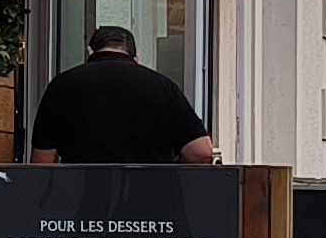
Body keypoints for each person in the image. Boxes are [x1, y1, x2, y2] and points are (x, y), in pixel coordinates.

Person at [28, 25, 218, 165]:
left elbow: (42, 160)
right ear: (136, 58)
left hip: (81, 197)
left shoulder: (62, 85)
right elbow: (201, 151)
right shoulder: (162, 86)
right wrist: (169, 170)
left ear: (90, 52)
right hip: (149, 197)